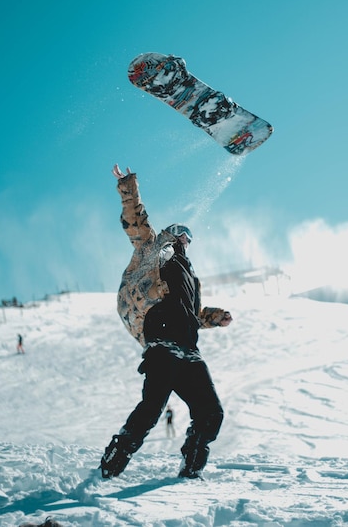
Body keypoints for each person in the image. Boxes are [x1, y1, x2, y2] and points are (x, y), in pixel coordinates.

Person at [99, 165, 233, 480]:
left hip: (188, 349)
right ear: (171, 234)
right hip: (161, 341)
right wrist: (127, 186)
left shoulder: (190, 278)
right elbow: (135, 220)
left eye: (190, 236)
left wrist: (216, 317)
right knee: (150, 410)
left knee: (211, 413)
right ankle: (110, 466)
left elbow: (192, 313)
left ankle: (190, 472)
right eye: (181, 232)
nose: (186, 238)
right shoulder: (154, 252)